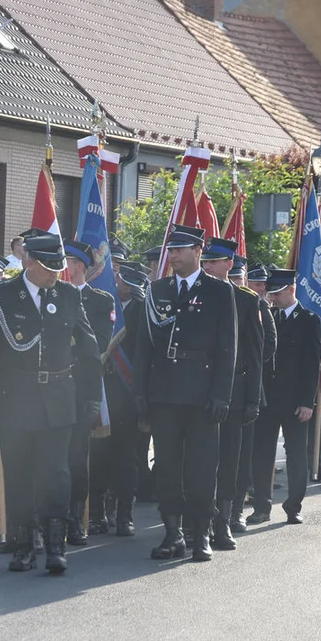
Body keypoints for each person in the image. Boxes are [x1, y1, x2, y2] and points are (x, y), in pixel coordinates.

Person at [0, 233, 101, 574]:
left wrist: (91, 398)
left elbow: (89, 349)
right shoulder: (0, 298)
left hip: (59, 399)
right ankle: (25, 544)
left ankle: (56, 546)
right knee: (18, 475)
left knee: (56, 475)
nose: (57, 273)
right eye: (49, 267)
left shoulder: (69, 296)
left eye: (60, 266)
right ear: (30, 263)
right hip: (14, 400)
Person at [133, 224, 237, 562]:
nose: (173, 256)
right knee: (167, 466)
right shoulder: (157, 290)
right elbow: (143, 347)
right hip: (164, 392)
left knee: (202, 468)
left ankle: (201, 533)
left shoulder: (220, 292)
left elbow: (227, 350)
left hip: (202, 392)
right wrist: (141, 395)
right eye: (171, 250)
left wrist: (222, 393)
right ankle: (172, 533)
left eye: (180, 250)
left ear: (197, 250)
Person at [200, 238, 262, 551]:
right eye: (204, 261)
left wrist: (253, 398)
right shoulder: (194, 294)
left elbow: (255, 353)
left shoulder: (247, 300)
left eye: (213, 262)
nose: (206, 266)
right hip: (199, 392)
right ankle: (197, 521)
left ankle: (223, 521)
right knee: (197, 462)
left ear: (229, 264)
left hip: (235, 395)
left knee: (228, 462)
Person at [249, 268, 321, 526]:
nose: (273, 298)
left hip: (295, 401)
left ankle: (294, 505)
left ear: (291, 290)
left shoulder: (309, 319)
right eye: (271, 293)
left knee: (296, 455)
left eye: (278, 293)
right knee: (262, 454)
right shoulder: (269, 317)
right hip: (268, 399)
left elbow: (312, 364)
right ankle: (261, 507)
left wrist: (307, 401)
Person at [63, 240, 116, 544]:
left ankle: (75, 516)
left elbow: (97, 344)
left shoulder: (100, 300)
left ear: (78, 266)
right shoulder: (49, 297)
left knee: (76, 458)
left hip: (82, 389)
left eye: (65, 262)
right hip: (51, 389)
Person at [98, 261, 148, 536]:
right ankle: (102, 509)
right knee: (102, 455)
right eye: (124, 283)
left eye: (133, 285)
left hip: (131, 396)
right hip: (105, 392)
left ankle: (124, 513)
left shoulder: (144, 311)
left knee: (128, 458)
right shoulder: (105, 303)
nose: (127, 288)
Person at [231, 263, 276, 534]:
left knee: (240, 455)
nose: (235, 282)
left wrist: (240, 367)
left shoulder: (256, 305)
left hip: (244, 386)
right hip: (212, 389)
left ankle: (236, 509)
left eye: (238, 278)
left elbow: (268, 345)